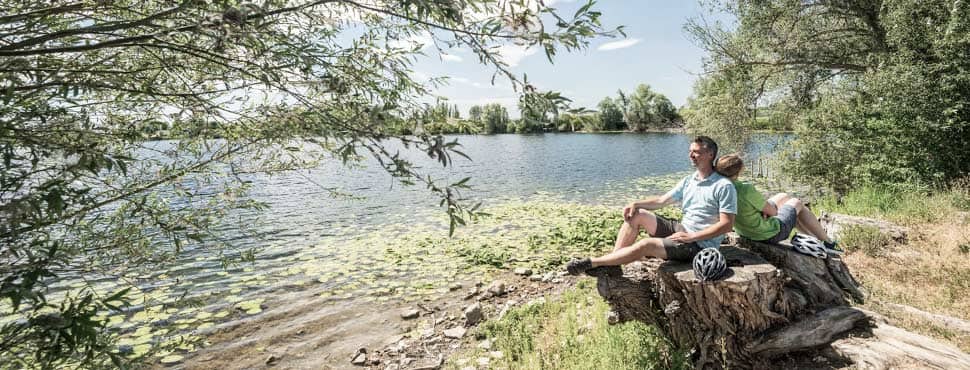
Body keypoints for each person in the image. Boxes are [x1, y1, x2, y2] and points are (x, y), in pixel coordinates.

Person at [566, 136, 737, 275]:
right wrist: (636, 203)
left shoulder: (723, 186)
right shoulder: (689, 180)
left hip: (699, 245)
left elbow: (726, 225)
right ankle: (613, 263)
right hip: (682, 229)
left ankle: (594, 263)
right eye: (690, 151)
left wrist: (692, 237)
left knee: (646, 244)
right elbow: (662, 201)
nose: (691, 155)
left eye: (696, 152)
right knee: (637, 214)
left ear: (710, 155)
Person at [713, 154, 841, 252]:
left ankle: (813, 239)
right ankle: (827, 242)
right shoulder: (745, 189)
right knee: (796, 203)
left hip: (745, 231)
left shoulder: (718, 188)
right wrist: (767, 212)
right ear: (739, 172)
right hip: (769, 234)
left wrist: (763, 211)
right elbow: (773, 212)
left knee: (783, 196)